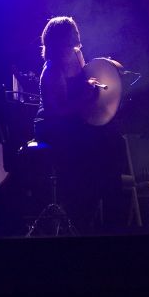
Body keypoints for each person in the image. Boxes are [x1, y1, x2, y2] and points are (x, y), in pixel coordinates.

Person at [33, 16, 124, 232]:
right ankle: (84, 217)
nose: (77, 34)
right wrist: (85, 96)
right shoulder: (52, 70)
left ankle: (111, 220)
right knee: (90, 147)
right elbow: (58, 111)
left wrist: (95, 79)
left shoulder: (76, 56)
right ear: (61, 38)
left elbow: (85, 84)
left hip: (74, 121)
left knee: (113, 140)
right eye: (72, 31)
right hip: (54, 126)